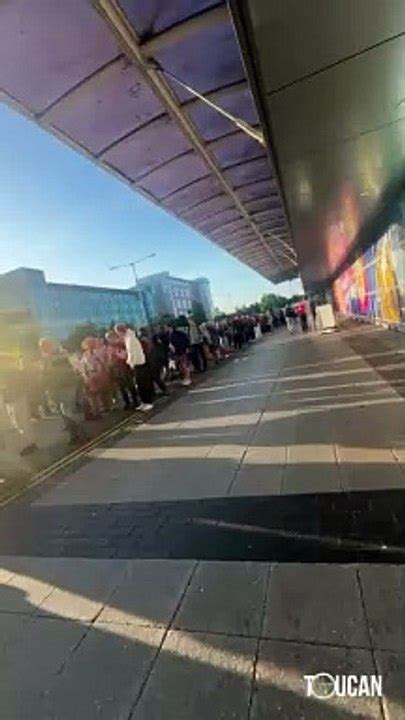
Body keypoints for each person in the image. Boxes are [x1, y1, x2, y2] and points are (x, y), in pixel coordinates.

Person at [40, 337, 84, 443]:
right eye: (41, 346)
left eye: (44, 346)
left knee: (66, 410)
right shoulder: (47, 357)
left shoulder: (59, 355)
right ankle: (71, 428)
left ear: (49, 345)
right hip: (55, 387)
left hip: (66, 385)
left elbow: (70, 369)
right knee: (61, 411)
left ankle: (75, 434)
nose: (42, 348)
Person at [115, 324, 154, 410]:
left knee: (142, 384)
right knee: (140, 384)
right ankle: (144, 402)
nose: (118, 335)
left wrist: (129, 361)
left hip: (138, 364)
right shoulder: (129, 337)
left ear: (120, 331)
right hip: (138, 363)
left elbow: (132, 354)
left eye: (117, 333)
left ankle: (148, 402)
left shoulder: (130, 339)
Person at [105, 330, 140, 410]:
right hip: (117, 369)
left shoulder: (120, 344)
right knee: (122, 387)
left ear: (113, 337)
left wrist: (116, 354)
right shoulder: (111, 347)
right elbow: (110, 359)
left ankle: (135, 401)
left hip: (124, 367)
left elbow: (124, 355)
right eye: (107, 339)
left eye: (109, 338)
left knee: (129, 385)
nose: (109, 340)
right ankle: (127, 403)